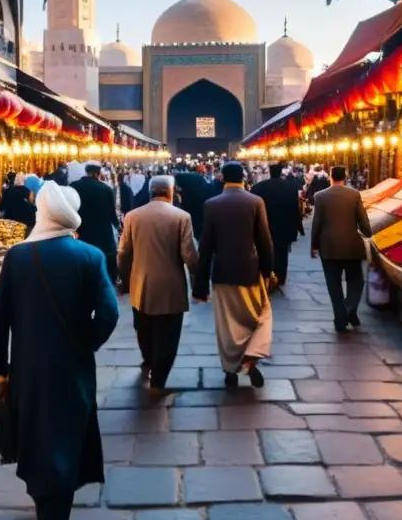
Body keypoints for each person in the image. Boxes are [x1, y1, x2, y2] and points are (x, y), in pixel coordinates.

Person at [0, 182, 119, 520]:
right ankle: (52, 514)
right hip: (73, 366)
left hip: (28, 369)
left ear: (42, 214)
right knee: (66, 433)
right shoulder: (90, 256)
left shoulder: (18, 256)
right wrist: (86, 343)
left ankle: (48, 518)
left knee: (35, 435)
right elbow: (109, 313)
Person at [195, 162, 274, 389]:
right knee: (261, 315)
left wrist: (200, 285)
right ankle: (251, 355)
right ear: (244, 177)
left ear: (222, 178)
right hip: (250, 270)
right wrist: (268, 271)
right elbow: (264, 241)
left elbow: (206, 246)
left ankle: (230, 369)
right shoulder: (255, 202)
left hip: (222, 272)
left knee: (227, 325)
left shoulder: (211, 204)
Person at [118, 175, 198, 391]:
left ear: (151, 191)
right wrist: (196, 279)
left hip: (140, 284)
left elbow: (123, 252)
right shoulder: (182, 217)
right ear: (170, 192)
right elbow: (189, 254)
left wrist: (124, 279)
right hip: (171, 285)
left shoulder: (133, 216)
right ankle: (160, 375)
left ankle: (148, 359)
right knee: (169, 332)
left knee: (143, 327)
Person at [311, 166, 372, 332]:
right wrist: (368, 234)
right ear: (345, 177)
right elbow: (363, 221)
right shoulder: (354, 195)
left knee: (333, 284)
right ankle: (349, 310)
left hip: (328, 247)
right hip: (352, 246)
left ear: (330, 176)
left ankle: (341, 316)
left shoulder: (320, 196)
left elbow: (316, 225)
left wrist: (314, 246)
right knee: (356, 280)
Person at [251, 163, 302, 287]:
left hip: (264, 224)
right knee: (282, 253)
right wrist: (296, 226)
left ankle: (267, 274)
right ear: (281, 172)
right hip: (284, 224)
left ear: (269, 171)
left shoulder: (258, 187)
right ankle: (281, 276)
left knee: (264, 250)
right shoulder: (291, 187)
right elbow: (296, 208)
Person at [71, 162, 119, 281]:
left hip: (81, 232)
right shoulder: (106, 189)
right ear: (98, 174)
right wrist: (117, 226)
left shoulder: (73, 186)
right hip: (102, 234)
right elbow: (111, 213)